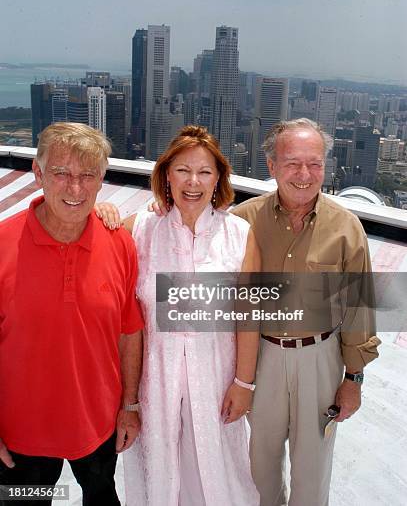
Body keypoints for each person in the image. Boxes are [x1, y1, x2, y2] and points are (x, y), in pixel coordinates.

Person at [97, 125, 260, 505]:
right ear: (166, 175)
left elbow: (248, 315)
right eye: (183, 170)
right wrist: (101, 211)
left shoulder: (239, 233)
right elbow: (90, 246)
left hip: (217, 376)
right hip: (157, 377)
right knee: (162, 472)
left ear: (218, 179)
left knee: (219, 472)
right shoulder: (139, 229)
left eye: (205, 172)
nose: (193, 181)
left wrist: (244, 383)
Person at [232, 118, 381, 506]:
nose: (304, 174)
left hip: (321, 360)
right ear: (271, 166)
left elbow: (358, 309)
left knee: (312, 470)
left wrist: (354, 379)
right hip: (260, 359)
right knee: (259, 466)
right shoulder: (242, 221)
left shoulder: (346, 228)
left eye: (314, 163)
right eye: (293, 162)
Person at [0, 123, 144, 506]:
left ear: (101, 180)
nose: (75, 189)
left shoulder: (120, 244)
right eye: (61, 173)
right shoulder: (1, 244)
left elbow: (129, 331)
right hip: (19, 434)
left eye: (87, 175)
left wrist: (129, 406)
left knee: (100, 499)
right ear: (38, 173)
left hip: (98, 425)